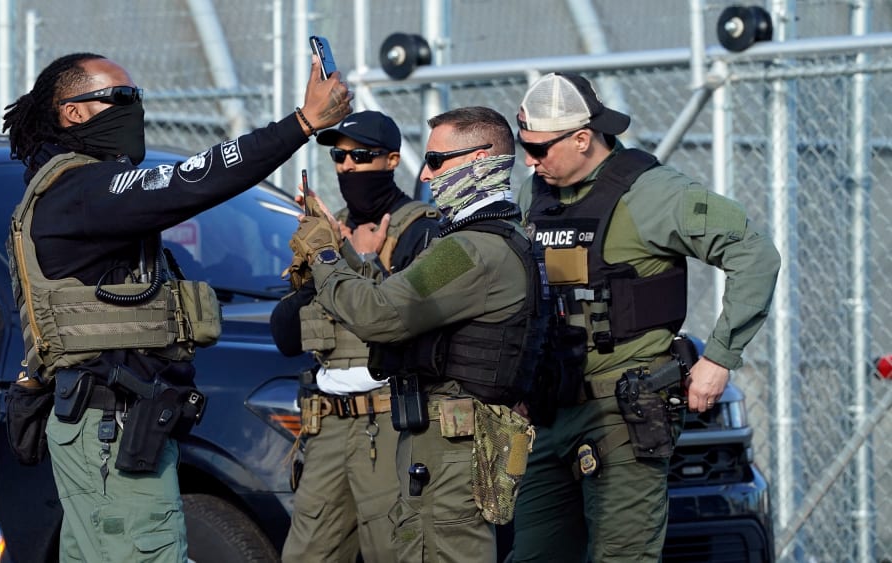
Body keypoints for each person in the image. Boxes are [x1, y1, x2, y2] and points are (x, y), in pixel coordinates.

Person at [1, 51, 351, 562]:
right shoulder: (79, 191)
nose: (134, 109)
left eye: (138, 98)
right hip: (111, 431)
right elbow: (192, 179)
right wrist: (301, 124)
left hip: (110, 426)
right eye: (120, 98)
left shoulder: (79, 192)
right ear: (73, 112)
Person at [510, 72, 781, 562]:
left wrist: (719, 358)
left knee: (622, 556)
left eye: (539, 148)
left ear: (581, 138)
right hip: (551, 412)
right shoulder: (538, 194)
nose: (529, 160)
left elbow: (754, 253)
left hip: (623, 412)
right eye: (523, 146)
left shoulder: (651, 192)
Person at [287, 106, 540, 563]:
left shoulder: (467, 249)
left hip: (453, 450)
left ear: (481, 159)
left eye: (437, 161)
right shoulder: (490, 237)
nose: (425, 174)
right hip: (447, 442)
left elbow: (378, 313)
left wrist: (326, 254)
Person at [270, 110, 439, 563]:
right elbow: (285, 335)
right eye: (339, 156)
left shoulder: (425, 229)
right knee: (308, 553)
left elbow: (411, 322)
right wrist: (321, 263)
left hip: (391, 423)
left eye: (360, 156)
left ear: (391, 161)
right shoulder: (327, 231)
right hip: (328, 423)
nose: (346, 167)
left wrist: (362, 264)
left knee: (395, 549)